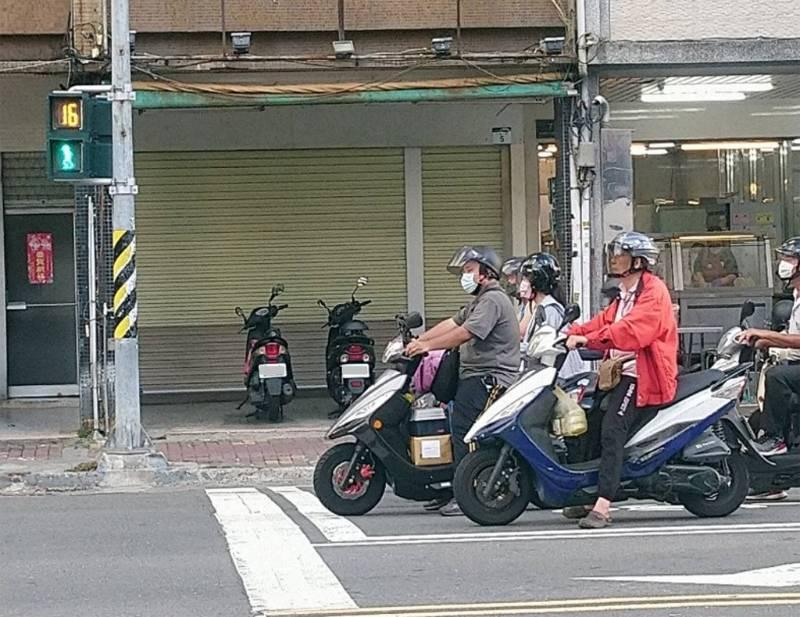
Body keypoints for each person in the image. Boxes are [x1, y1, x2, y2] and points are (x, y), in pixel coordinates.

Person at [563, 231, 678, 529]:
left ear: (638, 261)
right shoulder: (626, 292)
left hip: (641, 376)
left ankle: (603, 505)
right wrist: (571, 331)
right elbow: (605, 320)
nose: (614, 259)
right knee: (588, 422)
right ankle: (587, 493)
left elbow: (629, 330)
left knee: (613, 430)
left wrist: (587, 338)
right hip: (618, 373)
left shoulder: (653, 292)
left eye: (621, 254)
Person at [406, 245, 520, 516]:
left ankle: (470, 492)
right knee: (457, 429)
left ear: (486, 273)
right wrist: (421, 340)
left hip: (490, 378)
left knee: (467, 432)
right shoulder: (479, 301)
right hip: (473, 377)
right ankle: (457, 487)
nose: (465, 276)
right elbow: (452, 323)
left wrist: (427, 348)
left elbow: (465, 333)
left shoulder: (493, 300)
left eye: (469, 270)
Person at [739, 238, 800, 463]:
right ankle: (767, 480)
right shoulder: (795, 295)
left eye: (790, 259)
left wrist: (766, 336)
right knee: (758, 419)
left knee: (777, 377)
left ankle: (776, 440)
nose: (783, 263)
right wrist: (767, 341)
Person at [518, 252, 584, 378]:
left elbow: (547, 348)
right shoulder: (536, 307)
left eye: (527, 279)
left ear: (538, 281)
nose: (523, 283)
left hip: (558, 378)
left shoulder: (550, 310)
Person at [501, 256, 532, 338]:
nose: (509, 282)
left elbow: (520, 332)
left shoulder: (534, 304)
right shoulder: (523, 306)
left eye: (511, 277)